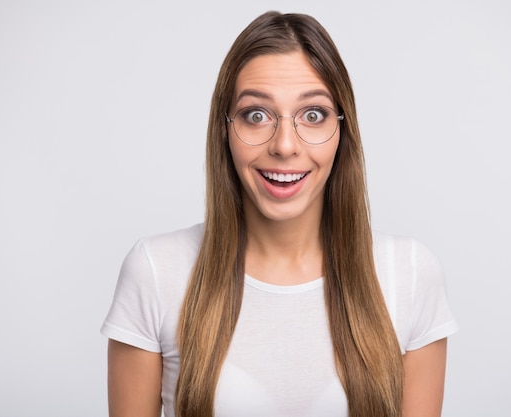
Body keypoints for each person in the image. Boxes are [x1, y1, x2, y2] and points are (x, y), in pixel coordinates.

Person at [101, 10, 458, 417]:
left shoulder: (409, 274)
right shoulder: (155, 271)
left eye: (313, 114)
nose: (285, 145)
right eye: (257, 115)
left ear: (343, 131)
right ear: (225, 129)